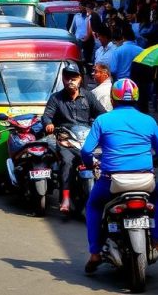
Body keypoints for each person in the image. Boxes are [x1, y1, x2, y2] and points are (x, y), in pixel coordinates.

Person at [82, 78, 158, 273]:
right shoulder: (148, 120)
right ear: (136, 100)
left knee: (94, 205)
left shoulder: (103, 120)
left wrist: (90, 164)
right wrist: (154, 162)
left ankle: (95, 253)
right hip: (145, 181)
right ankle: (156, 240)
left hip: (111, 181)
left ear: (113, 100)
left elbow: (87, 151)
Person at [43, 65, 107, 213]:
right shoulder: (56, 98)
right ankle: (65, 197)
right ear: (63, 79)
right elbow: (47, 116)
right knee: (66, 162)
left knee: (103, 162)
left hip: (86, 139)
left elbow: (102, 114)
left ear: (80, 79)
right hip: (66, 140)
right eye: (67, 77)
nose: (71, 80)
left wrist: (107, 124)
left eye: (74, 77)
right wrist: (49, 124)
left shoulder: (88, 96)